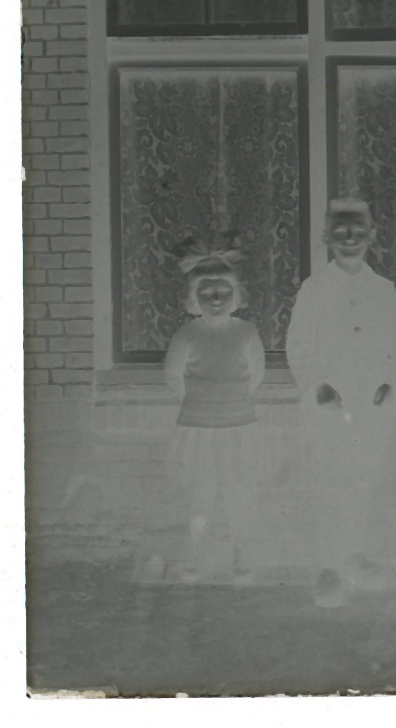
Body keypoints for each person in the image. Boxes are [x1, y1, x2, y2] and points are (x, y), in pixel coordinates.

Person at [286, 197, 396, 606]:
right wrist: (316, 384)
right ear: (327, 237)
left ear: (371, 235)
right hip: (329, 409)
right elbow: (298, 346)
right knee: (330, 485)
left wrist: (392, 384)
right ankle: (329, 568)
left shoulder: (383, 290)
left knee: (365, 483)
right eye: (340, 231)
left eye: (358, 229)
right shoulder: (314, 290)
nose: (350, 237)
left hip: (371, 411)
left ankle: (356, 558)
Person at [135, 237, 266, 586]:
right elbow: (173, 375)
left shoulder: (246, 332)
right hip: (197, 428)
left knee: (239, 493)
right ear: (195, 297)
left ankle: (240, 556)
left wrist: (231, 399)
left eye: (223, 291)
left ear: (235, 295)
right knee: (200, 494)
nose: (215, 298)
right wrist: (196, 401)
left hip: (238, 425)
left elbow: (256, 373)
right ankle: (196, 556)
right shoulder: (186, 335)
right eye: (206, 293)